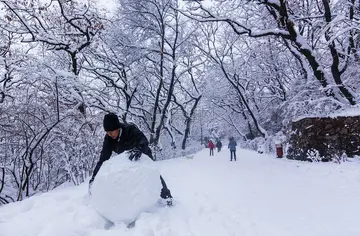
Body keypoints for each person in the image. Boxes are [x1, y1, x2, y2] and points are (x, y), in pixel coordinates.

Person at [89, 113, 173, 205]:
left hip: (142, 153)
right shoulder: (109, 139)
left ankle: (166, 196)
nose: (109, 134)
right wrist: (94, 178)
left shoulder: (130, 129)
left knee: (151, 173)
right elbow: (103, 159)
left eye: (111, 131)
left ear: (118, 128)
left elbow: (143, 140)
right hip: (127, 159)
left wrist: (139, 149)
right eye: (107, 132)